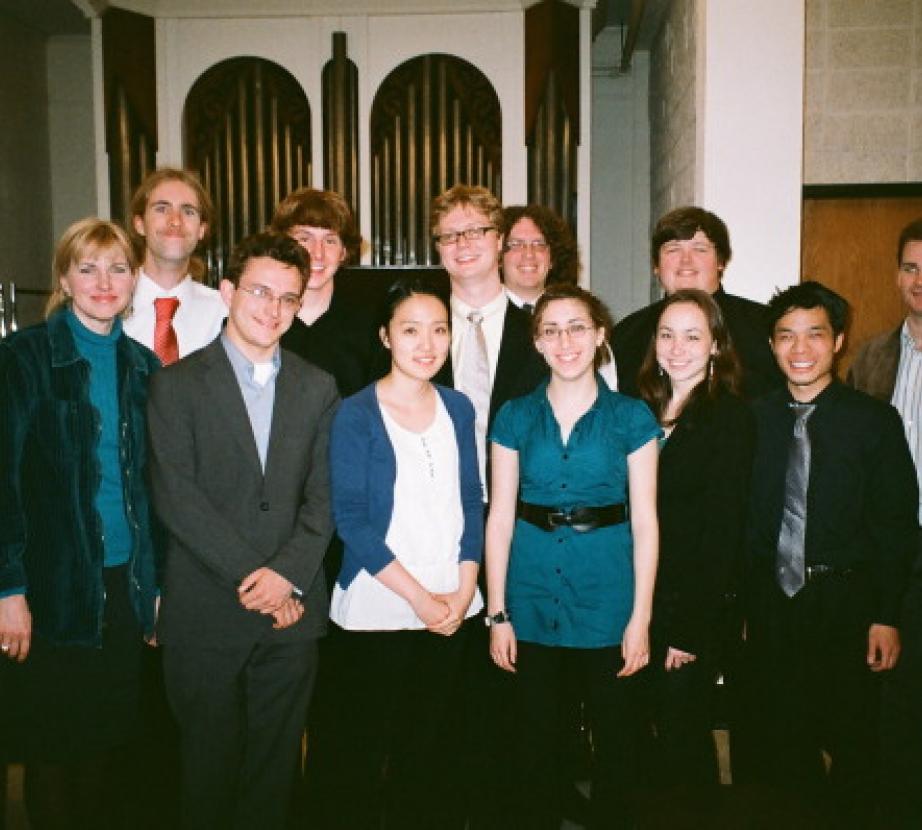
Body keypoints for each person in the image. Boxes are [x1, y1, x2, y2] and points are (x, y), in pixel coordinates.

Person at [147, 232, 339, 830]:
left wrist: (288, 576)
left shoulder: (318, 385)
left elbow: (324, 498)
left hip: (292, 614)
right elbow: (176, 496)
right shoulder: (174, 384)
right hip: (206, 610)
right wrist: (259, 577)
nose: (272, 308)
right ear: (228, 291)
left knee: (274, 770)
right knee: (207, 768)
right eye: (259, 290)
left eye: (288, 296)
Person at [0, 218, 160, 829]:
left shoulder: (144, 368)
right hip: (49, 587)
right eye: (88, 267)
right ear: (64, 278)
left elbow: (151, 492)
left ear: (134, 281)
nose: (103, 281)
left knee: (106, 740)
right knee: (52, 746)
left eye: (118, 268)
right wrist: (9, 589)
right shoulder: (23, 359)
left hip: (123, 586)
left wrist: (156, 587)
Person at [309, 278, 483, 829]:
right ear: (386, 336)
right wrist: (421, 601)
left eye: (439, 330)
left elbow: (470, 503)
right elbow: (353, 522)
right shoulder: (355, 413)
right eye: (411, 330)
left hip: (454, 603)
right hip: (379, 605)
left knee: (432, 757)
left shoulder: (458, 407)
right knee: (361, 758)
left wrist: (462, 588)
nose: (427, 343)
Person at [485, 283, 660, 829]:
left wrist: (641, 619)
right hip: (531, 595)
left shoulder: (632, 417)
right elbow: (500, 518)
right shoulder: (514, 415)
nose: (566, 341)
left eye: (578, 327)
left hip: (607, 596)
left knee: (618, 743)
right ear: (537, 342)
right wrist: (497, 614)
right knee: (534, 743)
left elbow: (647, 522)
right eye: (552, 330)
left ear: (600, 336)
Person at [745, 281, 918, 828]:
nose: (800, 349)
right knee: (781, 745)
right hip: (772, 608)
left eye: (815, 335)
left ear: (838, 341)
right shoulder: (750, 421)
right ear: (771, 345)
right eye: (786, 336)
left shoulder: (874, 422)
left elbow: (894, 526)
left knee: (855, 746)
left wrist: (886, 615)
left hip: (848, 605)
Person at [636, 289, 754, 810]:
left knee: (685, 739)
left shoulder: (728, 418)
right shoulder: (638, 411)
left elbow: (721, 535)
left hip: (689, 611)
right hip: (637, 605)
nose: (676, 347)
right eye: (666, 334)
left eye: (691, 335)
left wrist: (688, 629)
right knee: (646, 739)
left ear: (715, 346)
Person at [847, 218, 922, 827]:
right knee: (893, 697)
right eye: (911, 267)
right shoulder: (872, 355)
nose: (919, 281)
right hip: (892, 547)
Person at [430, 185, 548, 493]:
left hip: (522, 508)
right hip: (437, 508)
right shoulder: (416, 334)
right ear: (439, 248)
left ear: (499, 241)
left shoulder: (541, 335)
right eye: (449, 236)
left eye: (475, 231)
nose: (462, 244)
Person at [611, 206, 781, 399]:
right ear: (656, 266)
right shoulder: (627, 335)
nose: (686, 260)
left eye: (700, 249)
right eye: (673, 249)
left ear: (721, 261)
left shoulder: (765, 325)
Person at [272, 187, 382, 398]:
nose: (317, 253)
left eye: (330, 240)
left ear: (344, 252)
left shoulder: (370, 324)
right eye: (305, 238)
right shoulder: (263, 317)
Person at [124, 167, 226, 364]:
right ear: (139, 224)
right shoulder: (108, 307)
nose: (175, 221)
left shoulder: (224, 312)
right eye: (162, 208)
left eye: (188, 211)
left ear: (202, 230)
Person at [499, 204, 579, 311]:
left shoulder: (572, 313)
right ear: (499, 257)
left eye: (539, 244)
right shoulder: (478, 316)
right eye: (516, 244)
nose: (529, 254)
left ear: (553, 258)